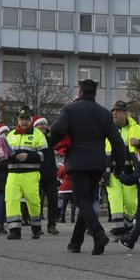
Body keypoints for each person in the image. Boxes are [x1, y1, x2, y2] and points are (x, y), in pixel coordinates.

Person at [49, 79, 127, 255]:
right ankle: (75, 243)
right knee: (88, 200)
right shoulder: (104, 114)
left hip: (77, 161)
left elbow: (58, 129)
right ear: (95, 92)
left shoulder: (69, 109)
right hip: (97, 163)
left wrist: (51, 144)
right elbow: (117, 141)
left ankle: (99, 234)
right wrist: (119, 166)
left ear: (80, 91)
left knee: (81, 200)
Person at [107, 100, 140, 237]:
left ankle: (126, 227)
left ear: (125, 113)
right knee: (115, 201)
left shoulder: (137, 129)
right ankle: (118, 231)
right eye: (113, 111)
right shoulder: (107, 129)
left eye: (118, 111)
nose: (114, 113)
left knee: (131, 203)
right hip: (112, 172)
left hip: (131, 172)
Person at [3, 108, 48, 240]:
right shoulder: (10, 135)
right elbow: (3, 156)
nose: (24, 122)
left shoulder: (38, 135)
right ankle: (14, 230)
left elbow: (44, 155)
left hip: (30, 173)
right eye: (22, 119)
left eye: (27, 119)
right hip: (12, 174)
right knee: (11, 200)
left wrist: (27, 156)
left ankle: (36, 227)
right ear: (18, 120)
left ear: (31, 120)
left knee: (33, 202)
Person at [34, 116, 61, 236]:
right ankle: (36, 225)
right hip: (36, 173)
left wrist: (50, 133)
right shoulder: (33, 138)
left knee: (53, 199)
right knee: (36, 201)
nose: (44, 126)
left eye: (45, 124)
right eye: (41, 124)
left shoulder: (48, 139)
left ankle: (51, 225)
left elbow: (56, 141)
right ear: (35, 127)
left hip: (50, 174)